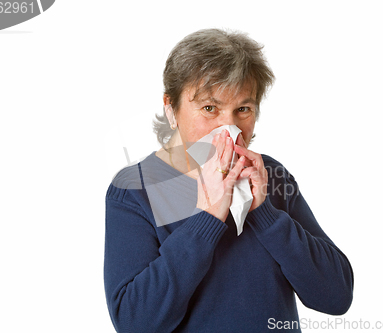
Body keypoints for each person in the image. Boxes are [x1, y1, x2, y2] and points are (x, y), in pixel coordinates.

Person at [104, 28, 354, 333]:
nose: (229, 127)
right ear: (171, 109)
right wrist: (207, 218)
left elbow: (336, 296)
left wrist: (265, 214)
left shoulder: (271, 177)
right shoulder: (135, 189)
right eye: (210, 108)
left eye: (243, 109)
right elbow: (136, 323)